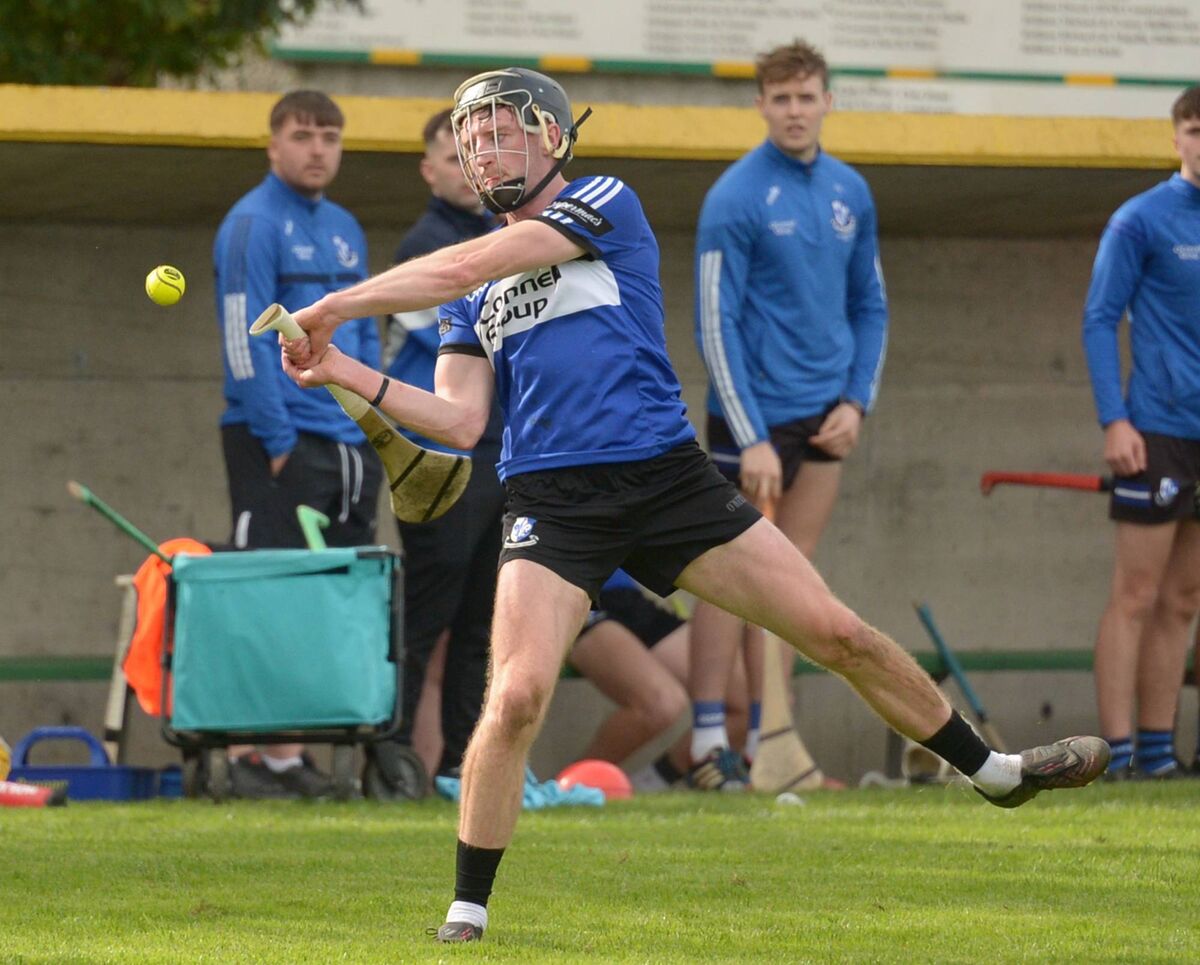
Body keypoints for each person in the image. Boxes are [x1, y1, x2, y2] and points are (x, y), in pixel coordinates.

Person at [273, 66, 1109, 943]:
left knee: (839, 634)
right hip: (552, 502)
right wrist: (343, 367)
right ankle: (467, 910)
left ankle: (994, 772)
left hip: (667, 480)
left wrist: (336, 305)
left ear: (552, 135)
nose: (483, 152)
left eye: (499, 132)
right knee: (515, 695)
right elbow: (460, 419)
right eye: (472, 140)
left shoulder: (600, 202)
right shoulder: (470, 299)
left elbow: (470, 260)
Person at [683, 40, 889, 790]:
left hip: (827, 416)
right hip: (753, 422)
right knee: (728, 576)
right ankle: (708, 741)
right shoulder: (734, 197)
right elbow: (715, 324)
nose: (795, 111)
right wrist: (751, 437)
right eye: (782, 99)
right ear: (761, 105)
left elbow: (871, 305)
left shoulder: (850, 191)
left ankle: (776, 746)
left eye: (807, 97)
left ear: (827, 101)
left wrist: (856, 401)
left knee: (793, 580)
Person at [213, 89, 383, 799]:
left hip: (349, 442)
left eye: (330, 137)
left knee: (322, 600)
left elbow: (364, 329)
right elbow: (242, 340)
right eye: (303, 135)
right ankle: (241, 753)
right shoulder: (251, 224)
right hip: (279, 439)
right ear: (273, 145)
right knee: (267, 592)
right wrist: (279, 439)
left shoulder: (345, 226)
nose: (318, 149)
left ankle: (287, 757)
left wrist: (372, 421)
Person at [371, 107, 504, 794]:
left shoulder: (501, 236)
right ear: (429, 171)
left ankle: (461, 764)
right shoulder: (423, 248)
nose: (467, 168)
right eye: (453, 158)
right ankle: (388, 756)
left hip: (499, 453)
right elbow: (485, 336)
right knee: (427, 616)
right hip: (435, 459)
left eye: (475, 153)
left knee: (482, 623)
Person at [1082, 84, 1200, 780]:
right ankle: (1115, 756)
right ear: (1177, 136)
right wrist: (1115, 419)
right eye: (1196, 130)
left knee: (1184, 599)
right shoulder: (1140, 219)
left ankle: (1158, 755)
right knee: (1135, 595)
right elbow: (1100, 318)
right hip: (1155, 429)